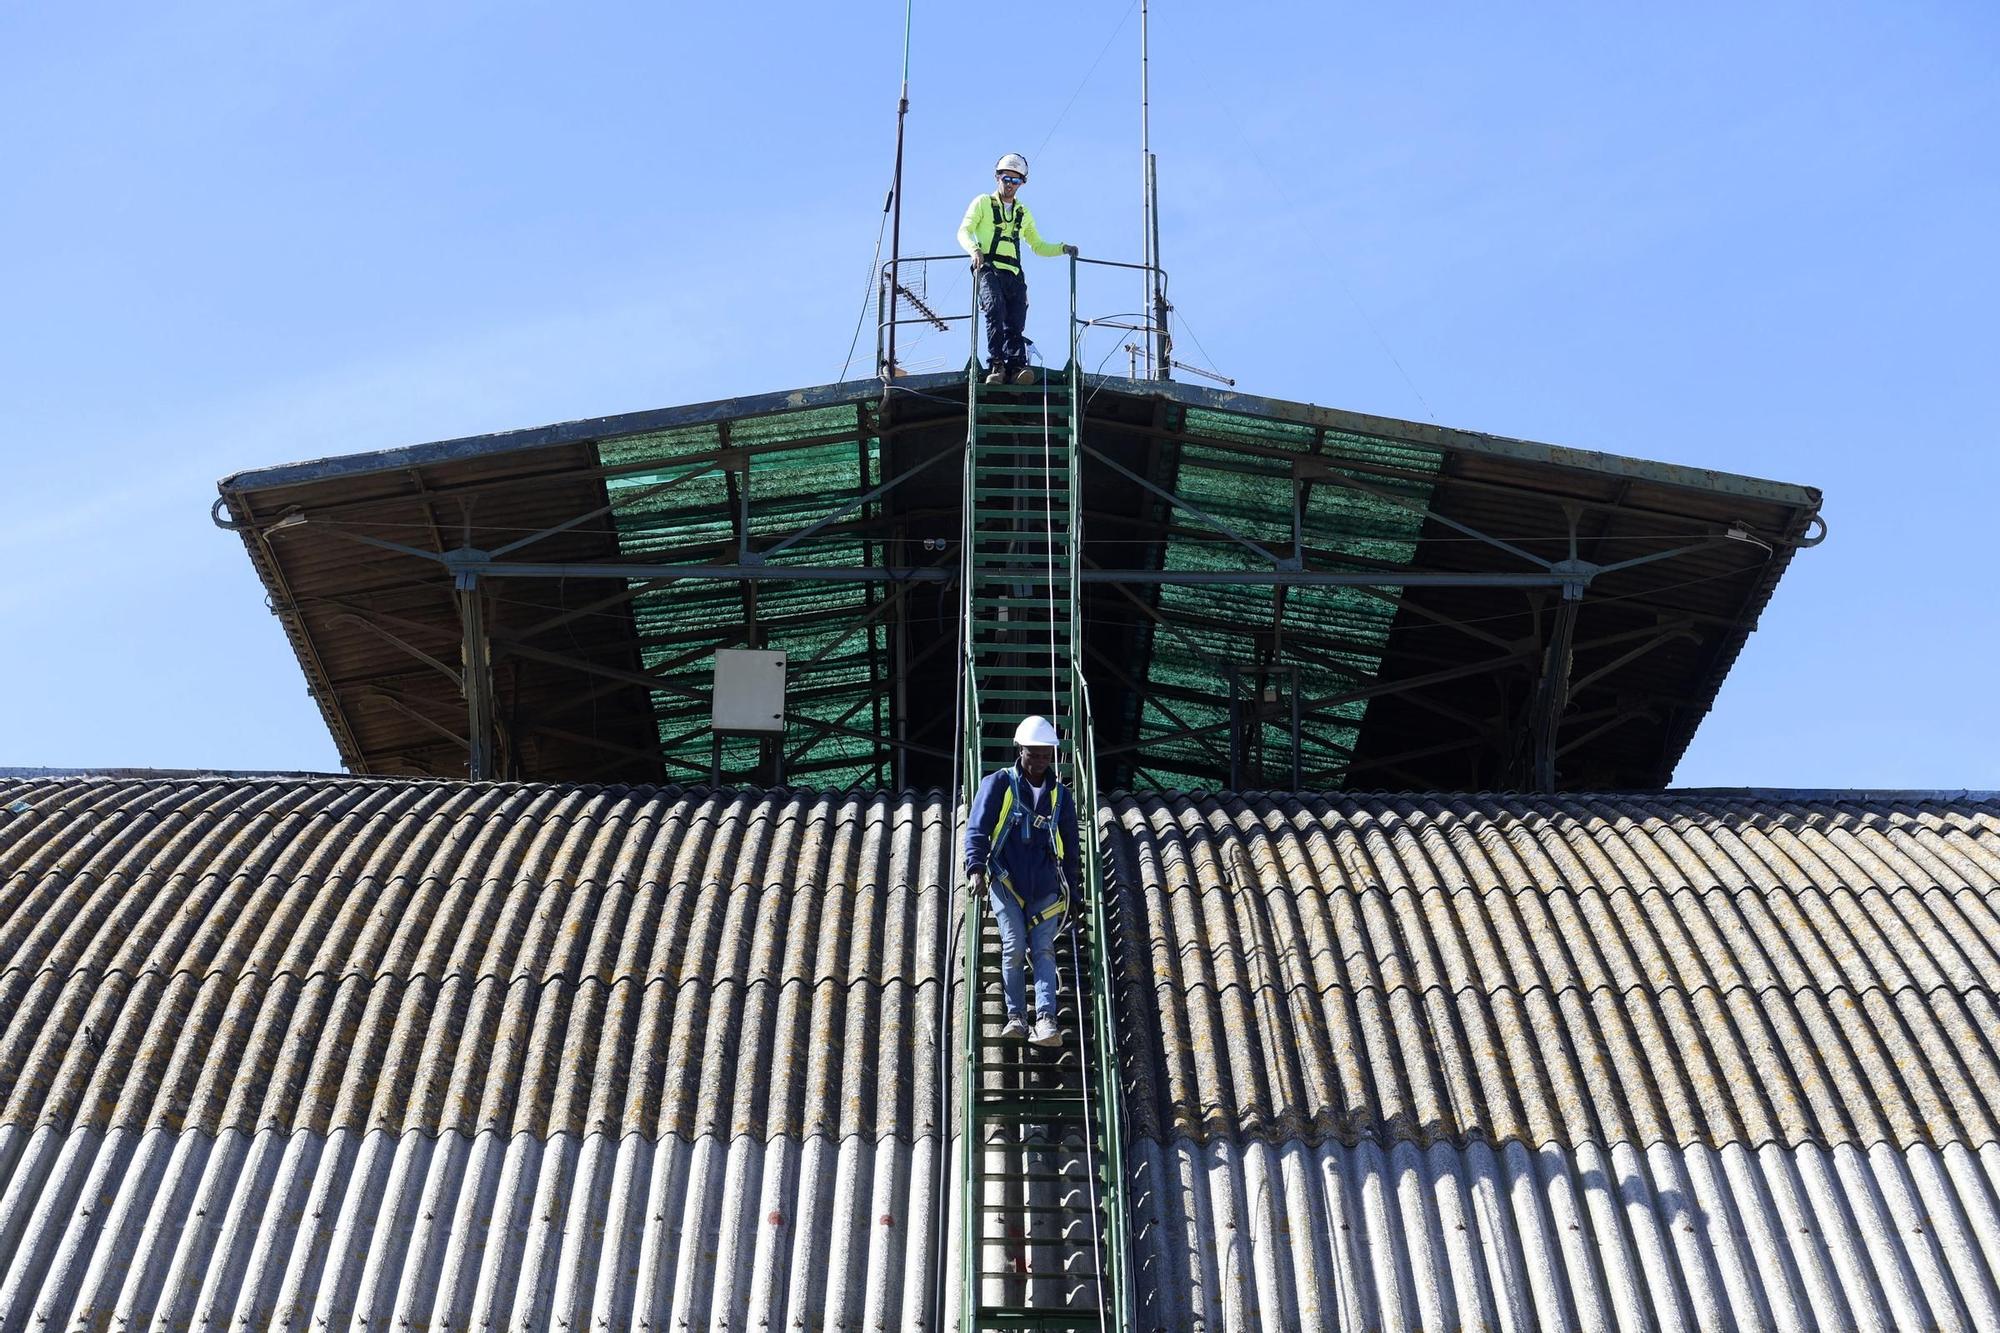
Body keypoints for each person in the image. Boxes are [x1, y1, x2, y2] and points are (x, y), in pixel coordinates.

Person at [963, 715, 1083, 1046]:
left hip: (1046, 886)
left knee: (1044, 950)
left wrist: (1075, 890)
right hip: (1006, 882)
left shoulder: (1060, 796)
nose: (1040, 760)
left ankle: (1045, 1020)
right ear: (1020, 750)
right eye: (1034, 753)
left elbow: (1071, 845)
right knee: (1014, 948)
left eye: (1046, 754)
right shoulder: (998, 784)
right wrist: (975, 868)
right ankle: (1016, 1016)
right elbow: (977, 828)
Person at [956, 153, 1079, 386]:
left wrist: (1062, 248)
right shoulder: (983, 202)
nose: (1010, 185)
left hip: (1013, 273)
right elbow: (964, 230)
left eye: (1016, 181)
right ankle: (997, 364)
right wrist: (974, 250)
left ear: (1022, 183)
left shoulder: (1023, 213)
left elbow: (1038, 245)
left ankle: (1016, 368)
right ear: (997, 177)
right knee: (995, 308)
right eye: (1006, 179)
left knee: (1015, 320)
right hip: (988, 268)